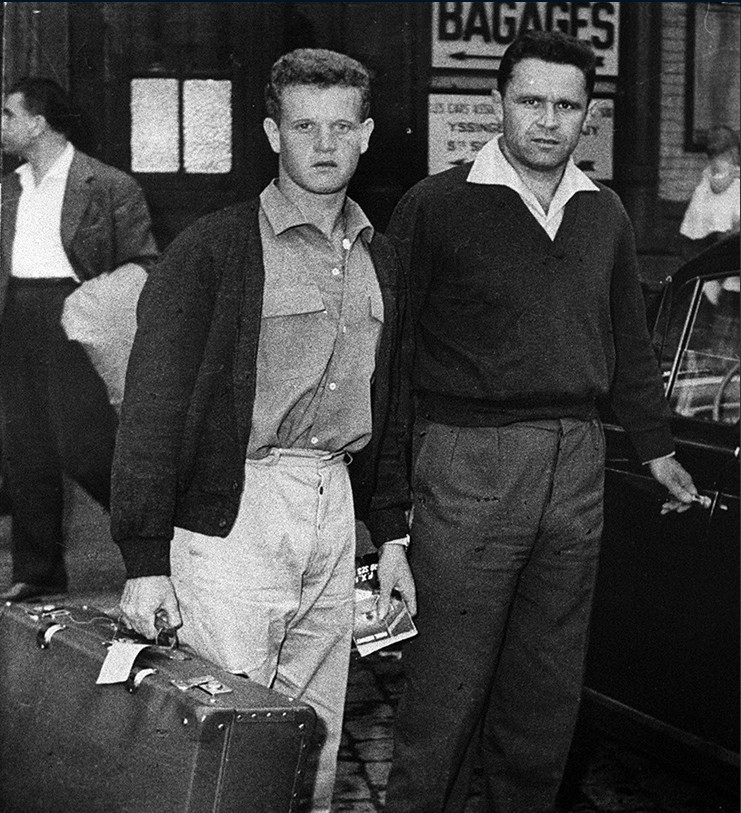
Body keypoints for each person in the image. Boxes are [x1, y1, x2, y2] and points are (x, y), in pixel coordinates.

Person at [383, 30, 702, 813]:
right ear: (496, 101)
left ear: (587, 115)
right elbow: (387, 360)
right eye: (530, 100)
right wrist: (386, 507)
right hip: (469, 461)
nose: (547, 120)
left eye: (566, 105)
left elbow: (628, 341)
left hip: (576, 462)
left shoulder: (603, 212)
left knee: (544, 692)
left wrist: (656, 448)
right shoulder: (436, 205)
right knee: (446, 690)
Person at [110, 49, 415, 812]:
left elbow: (391, 403)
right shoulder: (213, 249)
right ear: (273, 133)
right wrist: (145, 558)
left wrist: (391, 535)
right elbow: (151, 408)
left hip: (332, 504)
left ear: (366, 134)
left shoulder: (380, 256)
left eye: (341, 126)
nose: (324, 143)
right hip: (235, 512)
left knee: (313, 740)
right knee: (227, 741)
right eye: (304, 126)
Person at [0, 77, 158, 603]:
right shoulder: (8, 189)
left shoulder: (108, 185)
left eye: (8, 114)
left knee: (86, 447)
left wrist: (96, 307)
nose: (1, 125)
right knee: (25, 448)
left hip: (75, 315)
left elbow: (143, 262)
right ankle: (37, 572)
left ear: (38, 123)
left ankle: (156, 546)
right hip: (16, 315)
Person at [680, 125, 740, 258]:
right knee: (720, 231)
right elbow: (717, 187)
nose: (735, 158)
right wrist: (731, 176)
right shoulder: (720, 167)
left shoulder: (723, 166)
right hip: (712, 208)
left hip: (716, 207)